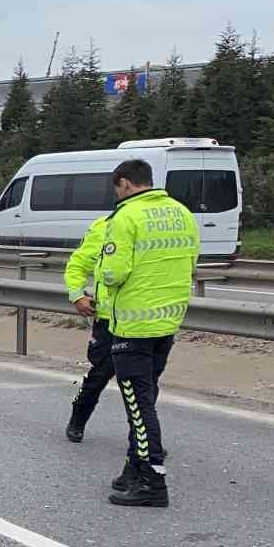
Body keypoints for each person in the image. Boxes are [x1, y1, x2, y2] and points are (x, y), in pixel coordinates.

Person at [100, 158, 198, 508]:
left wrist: (101, 269)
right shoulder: (182, 213)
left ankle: (153, 480)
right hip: (167, 321)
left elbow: (113, 273)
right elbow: (191, 263)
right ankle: (133, 468)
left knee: (139, 406)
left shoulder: (125, 217)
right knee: (144, 401)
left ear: (125, 183)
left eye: (116, 188)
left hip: (133, 324)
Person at [62, 215, 112, 443]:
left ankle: (147, 441)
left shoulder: (155, 226)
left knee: (143, 384)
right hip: (110, 319)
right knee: (100, 374)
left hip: (146, 322)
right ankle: (78, 417)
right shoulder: (106, 225)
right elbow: (78, 264)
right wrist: (77, 295)